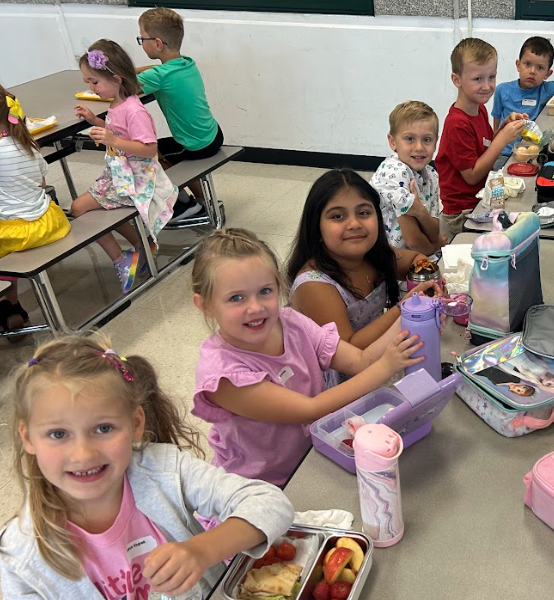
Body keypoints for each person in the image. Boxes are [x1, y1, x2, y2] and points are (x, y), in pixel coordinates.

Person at [0, 335, 294, 599]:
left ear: (136, 424)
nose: (83, 453)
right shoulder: (18, 557)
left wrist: (202, 550)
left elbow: (270, 503)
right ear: (27, 437)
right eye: (58, 434)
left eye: (103, 428)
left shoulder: (165, 470)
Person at [191, 228, 423, 486]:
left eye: (265, 291)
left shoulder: (291, 322)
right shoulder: (223, 375)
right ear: (205, 305)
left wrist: (410, 313)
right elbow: (310, 409)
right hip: (260, 487)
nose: (255, 307)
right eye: (236, 298)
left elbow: (361, 360)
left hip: (313, 460)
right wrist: (386, 366)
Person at [288, 169, 442, 387]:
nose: (354, 224)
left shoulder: (372, 256)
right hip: (336, 387)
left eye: (363, 213)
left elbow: (415, 259)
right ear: (316, 229)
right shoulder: (314, 285)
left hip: (380, 362)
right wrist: (406, 307)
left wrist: (426, 277)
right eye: (337, 216)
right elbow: (351, 348)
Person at [72, 39, 177, 293]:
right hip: (120, 173)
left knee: (78, 208)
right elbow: (116, 129)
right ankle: (142, 244)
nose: (90, 87)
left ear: (117, 79)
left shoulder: (134, 111)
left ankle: (122, 259)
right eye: (87, 82)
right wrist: (94, 119)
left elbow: (149, 148)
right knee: (89, 207)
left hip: (136, 178)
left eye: (94, 82)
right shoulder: (118, 105)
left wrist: (113, 140)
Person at [136, 7, 224, 221]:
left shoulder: (158, 75)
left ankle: (184, 205)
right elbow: (153, 71)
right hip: (212, 135)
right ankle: (203, 200)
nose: (141, 42)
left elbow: (122, 89)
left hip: (194, 145)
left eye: (141, 38)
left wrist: (109, 74)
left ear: (157, 43)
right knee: (163, 149)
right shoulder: (185, 63)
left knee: (148, 153)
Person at [435, 37, 527, 236]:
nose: (487, 86)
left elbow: (483, 146)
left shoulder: (480, 109)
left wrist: (504, 126)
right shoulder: (457, 124)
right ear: (456, 80)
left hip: (479, 202)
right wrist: (502, 140)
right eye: (478, 79)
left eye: (491, 77)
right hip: (462, 215)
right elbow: (471, 175)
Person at [0, 85, 71, 339]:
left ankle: (9, 301)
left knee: (4, 240)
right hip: (49, 222)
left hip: (19, 233)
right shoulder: (28, 144)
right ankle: (11, 304)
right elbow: (42, 184)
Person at [370, 101, 446, 257]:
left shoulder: (431, 175)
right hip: (392, 261)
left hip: (418, 254)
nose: (419, 147)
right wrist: (435, 246)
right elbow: (414, 241)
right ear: (392, 142)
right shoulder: (394, 173)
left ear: (435, 142)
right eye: (409, 139)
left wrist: (421, 212)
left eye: (427, 139)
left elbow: (434, 231)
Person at [491, 36, 554, 152]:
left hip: (534, 151)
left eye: (540, 68)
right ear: (518, 65)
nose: (532, 71)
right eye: (527, 64)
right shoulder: (502, 90)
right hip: (504, 152)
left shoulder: (548, 89)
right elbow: (496, 130)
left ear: (547, 74)